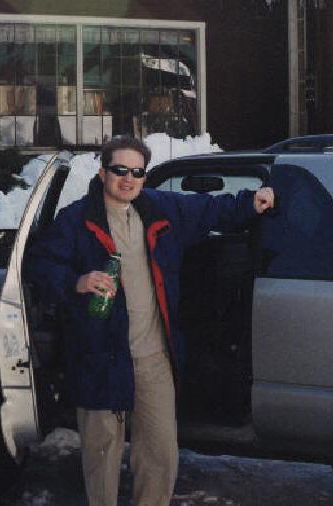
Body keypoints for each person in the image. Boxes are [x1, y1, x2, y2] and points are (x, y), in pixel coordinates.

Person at [25, 137, 275, 505]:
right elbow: (41, 264)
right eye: (120, 170)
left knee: (159, 452)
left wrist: (252, 203)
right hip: (100, 356)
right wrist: (78, 281)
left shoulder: (160, 208)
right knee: (101, 454)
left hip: (154, 355)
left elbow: (209, 210)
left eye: (137, 172)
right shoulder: (76, 220)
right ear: (103, 172)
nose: (128, 179)